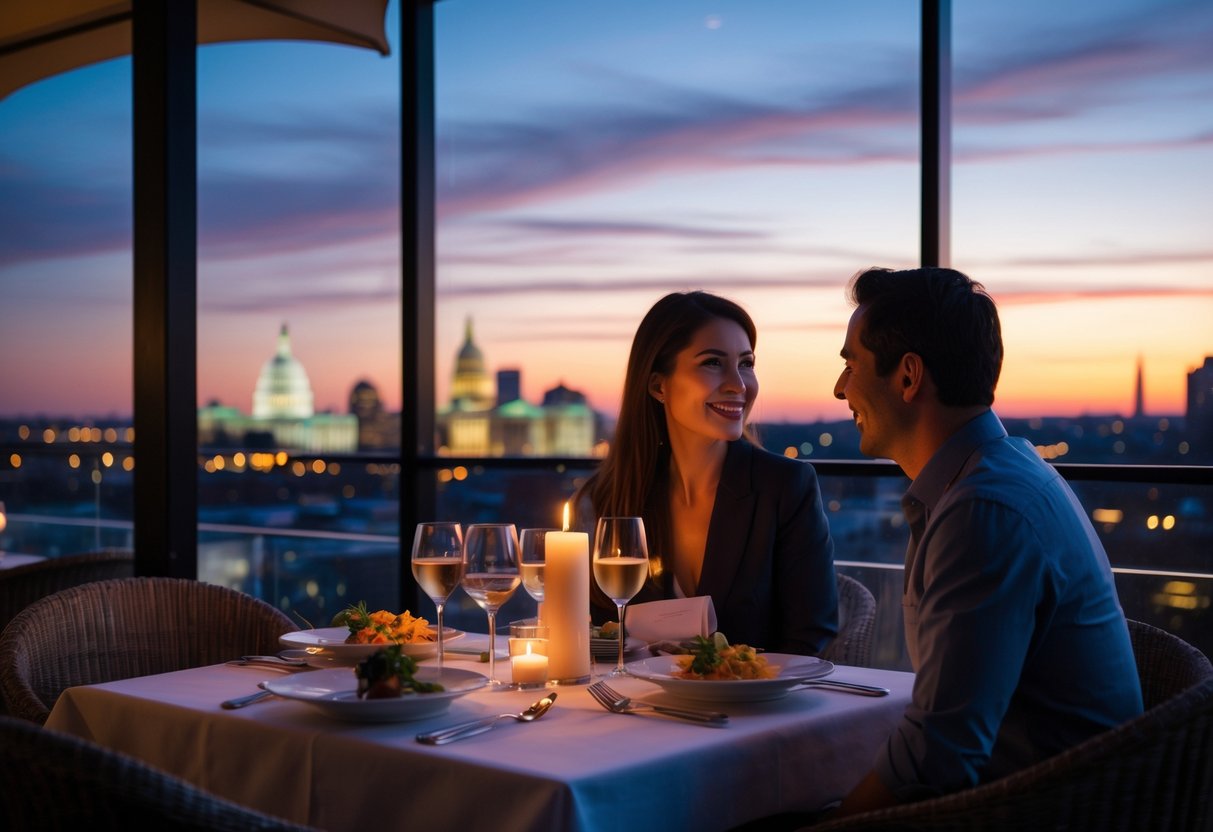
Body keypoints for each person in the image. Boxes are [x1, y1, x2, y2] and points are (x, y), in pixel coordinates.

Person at [830, 266, 1143, 817]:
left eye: (850, 364)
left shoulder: (982, 511)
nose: (840, 389)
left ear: (908, 378)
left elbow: (937, 759)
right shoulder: (1001, 472)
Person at [575, 290, 838, 655]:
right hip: (636, 704)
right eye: (713, 363)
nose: (739, 384)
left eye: (746, 363)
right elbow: (594, 633)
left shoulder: (785, 487)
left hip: (753, 706)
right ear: (658, 386)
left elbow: (810, 637)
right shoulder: (607, 497)